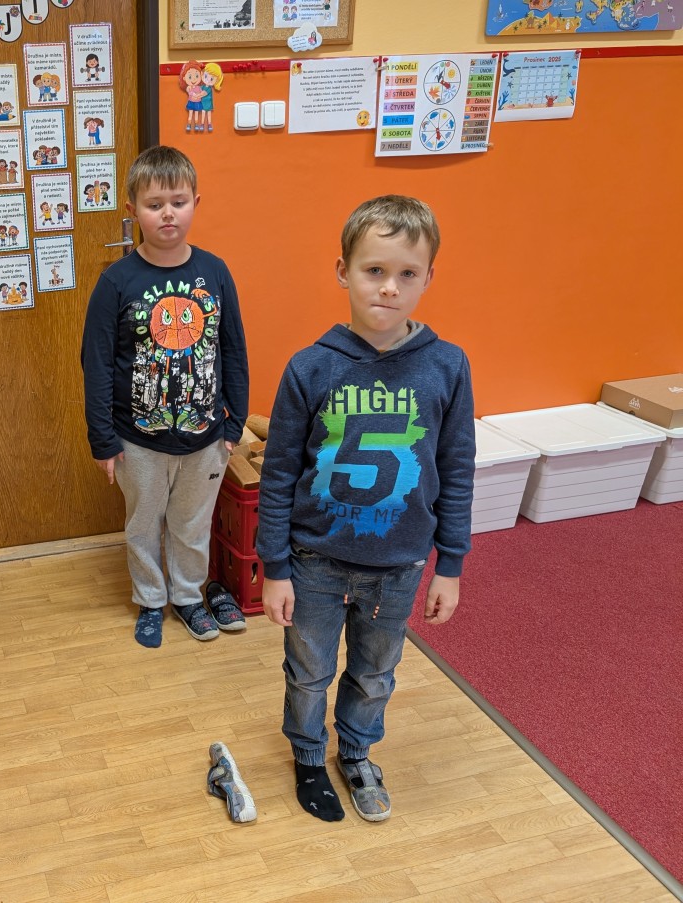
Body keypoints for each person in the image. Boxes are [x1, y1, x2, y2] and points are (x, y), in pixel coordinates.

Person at [256, 195, 474, 824]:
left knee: (375, 673)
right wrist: (275, 568)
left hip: (399, 565)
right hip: (315, 562)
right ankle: (307, 755)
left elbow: (457, 470)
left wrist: (451, 564)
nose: (389, 288)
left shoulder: (447, 366)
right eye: (374, 270)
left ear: (428, 278)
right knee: (308, 671)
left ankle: (355, 753)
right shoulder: (310, 367)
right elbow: (278, 475)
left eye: (407, 273)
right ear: (343, 271)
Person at [80, 145, 250, 648]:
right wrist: (102, 439)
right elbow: (96, 364)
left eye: (178, 202)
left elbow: (234, 349)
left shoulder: (215, 272)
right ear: (132, 210)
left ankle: (189, 598)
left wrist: (235, 422)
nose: (168, 213)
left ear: (196, 202)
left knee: (191, 525)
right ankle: (151, 600)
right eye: (155, 204)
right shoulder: (116, 282)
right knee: (143, 524)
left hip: (206, 435)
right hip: (137, 439)